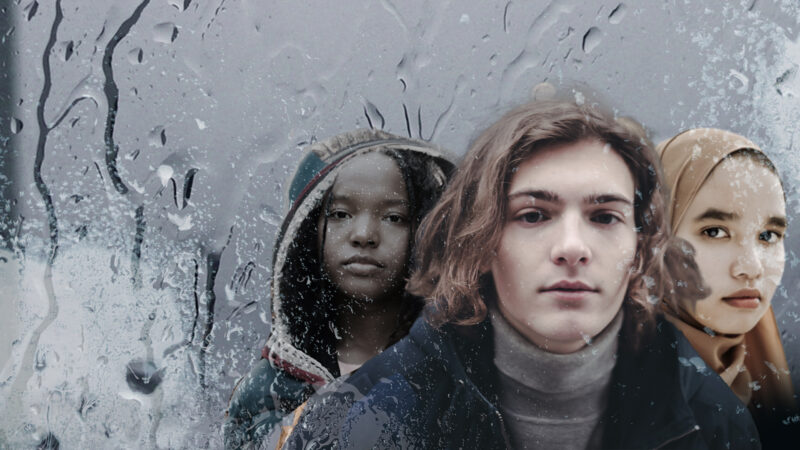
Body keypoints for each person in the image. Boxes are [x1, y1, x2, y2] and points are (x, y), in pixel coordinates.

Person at [281, 101, 761, 449]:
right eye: (533, 215)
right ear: (482, 242)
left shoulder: (715, 423)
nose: (572, 248)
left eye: (604, 217)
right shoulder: (358, 426)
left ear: (638, 250)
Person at [222, 129, 454, 448]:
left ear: (426, 232)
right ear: (308, 233)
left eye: (394, 217)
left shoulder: (457, 376)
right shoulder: (270, 388)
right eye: (340, 214)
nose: (364, 234)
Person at [657, 128, 799, 447]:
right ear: (656, 239)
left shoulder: (754, 382)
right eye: (715, 231)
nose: (751, 267)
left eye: (768, 236)